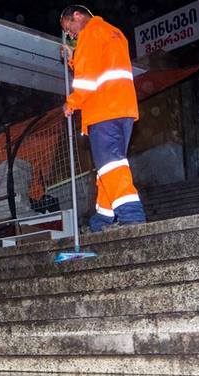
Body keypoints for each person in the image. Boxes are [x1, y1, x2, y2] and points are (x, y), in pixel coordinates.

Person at [60, 5, 146, 231]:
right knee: (110, 165)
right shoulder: (114, 32)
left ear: (77, 16)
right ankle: (104, 218)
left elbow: (87, 78)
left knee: (110, 164)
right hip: (123, 110)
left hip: (103, 109)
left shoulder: (89, 32)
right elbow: (99, 67)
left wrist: (71, 102)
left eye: (68, 28)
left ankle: (131, 215)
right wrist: (73, 58)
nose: (70, 35)